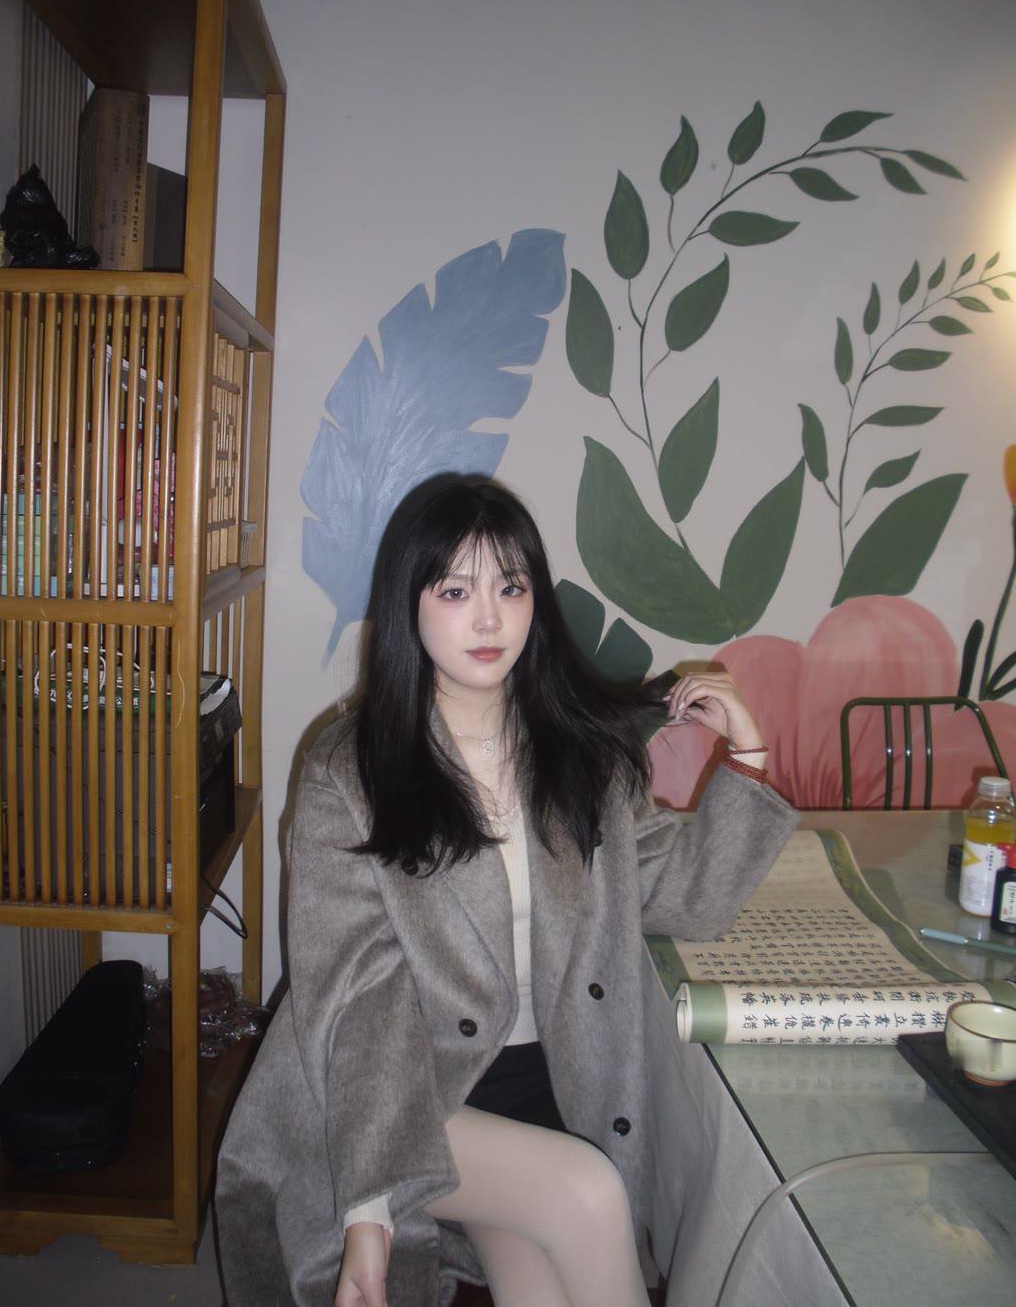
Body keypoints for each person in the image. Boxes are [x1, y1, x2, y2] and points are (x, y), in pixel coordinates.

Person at [216, 475, 797, 1307]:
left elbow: (681, 896)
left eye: (511, 587)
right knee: (588, 1196)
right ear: (409, 603)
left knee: (545, 1282)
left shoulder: (579, 757)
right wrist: (368, 1216)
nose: (489, 620)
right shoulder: (350, 772)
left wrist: (749, 759)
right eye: (455, 591)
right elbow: (359, 998)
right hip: (409, 1100)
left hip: (551, 1086)